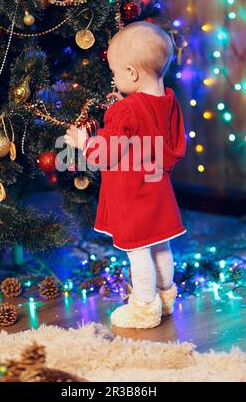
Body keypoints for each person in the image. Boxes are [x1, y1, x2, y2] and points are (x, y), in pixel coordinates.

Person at [64, 22, 186, 329]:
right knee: (160, 243)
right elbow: (171, 142)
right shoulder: (169, 102)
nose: (115, 80)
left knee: (138, 248)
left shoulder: (125, 111)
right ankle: (165, 296)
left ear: (132, 73)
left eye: (115, 73)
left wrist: (82, 143)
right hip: (158, 188)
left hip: (133, 193)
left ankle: (144, 307)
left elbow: (106, 153)